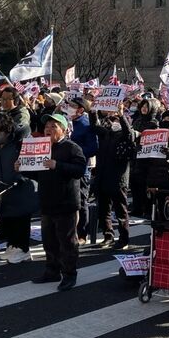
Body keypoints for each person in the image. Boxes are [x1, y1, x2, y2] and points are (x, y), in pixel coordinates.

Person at [21, 113, 86, 292]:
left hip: (66, 203)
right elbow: (37, 173)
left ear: (63, 129)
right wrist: (23, 169)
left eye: (53, 126)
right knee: (49, 241)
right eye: (47, 127)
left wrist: (58, 165)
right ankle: (52, 271)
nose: (49, 130)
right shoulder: (42, 147)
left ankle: (69, 275)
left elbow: (80, 170)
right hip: (47, 202)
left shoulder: (72, 148)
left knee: (67, 242)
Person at [0, 112, 38, 263]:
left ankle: (24, 249)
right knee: (11, 219)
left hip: (22, 186)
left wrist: (21, 175)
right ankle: (14, 245)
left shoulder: (20, 141)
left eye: (0, 129)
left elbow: (32, 163)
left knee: (21, 219)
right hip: (6, 186)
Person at [92, 104, 135, 249]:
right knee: (104, 210)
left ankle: (124, 239)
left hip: (118, 178)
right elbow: (94, 126)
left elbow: (128, 133)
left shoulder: (126, 136)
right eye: (112, 120)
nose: (113, 122)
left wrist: (121, 115)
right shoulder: (106, 134)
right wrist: (93, 111)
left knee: (120, 211)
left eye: (116, 120)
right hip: (103, 176)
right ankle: (108, 236)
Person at [68, 97, 98, 245]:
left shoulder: (86, 125)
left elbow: (93, 148)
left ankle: (82, 233)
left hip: (81, 169)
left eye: (73, 106)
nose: (69, 108)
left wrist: (74, 150)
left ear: (81, 109)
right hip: (63, 168)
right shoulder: (65, 123)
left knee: (80, 202)